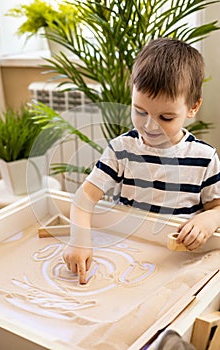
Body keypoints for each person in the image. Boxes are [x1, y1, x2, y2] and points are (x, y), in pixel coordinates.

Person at [64, 37, 220, 284]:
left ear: (193, 107)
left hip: (177, 264)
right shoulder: (121, 149)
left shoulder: (204, 158)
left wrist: (209, 219)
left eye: (166, 117)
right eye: (140, 111)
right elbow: (84, 198)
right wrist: (79, 241)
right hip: (127, 256)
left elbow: (218, 208)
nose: (150, 125)